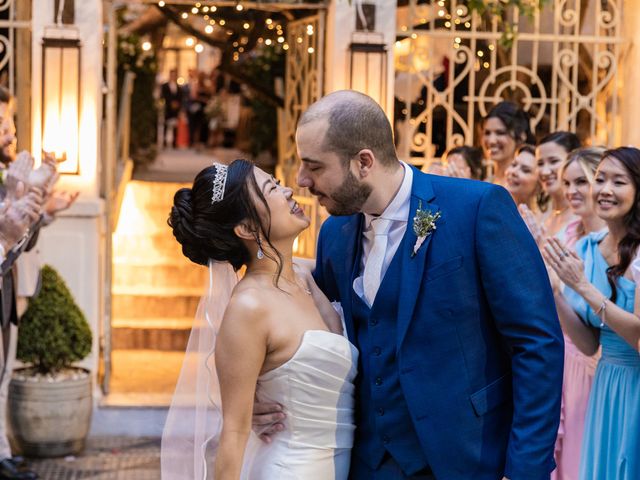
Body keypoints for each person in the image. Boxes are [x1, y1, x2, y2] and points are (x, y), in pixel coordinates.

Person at [256, 90, 564, 479]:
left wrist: (524, 471)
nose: (302, 181)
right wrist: (259, 393)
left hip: (467, 457)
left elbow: (537, 343)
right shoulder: (334, 233)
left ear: (363, 161)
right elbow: (312, 336)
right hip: (365, 463)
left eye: (314, 167)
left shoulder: (477, 208)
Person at [162, 160, 358, 479]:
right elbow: (234, 434)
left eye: (278, 183)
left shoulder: (306, 276)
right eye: (272, 189)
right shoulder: (248, 307)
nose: (290, 190)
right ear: (247, 229)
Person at [543, 146, 640, 479]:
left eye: (619, 181)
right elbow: (589, 344)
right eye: (600, 179)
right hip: (606, 386)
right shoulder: (587, 248)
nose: (606, 190)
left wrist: (583, 287)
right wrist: (555, 292)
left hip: (635, 387)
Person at [544, 147, 605, 480]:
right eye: (567, 183)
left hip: (591, 367)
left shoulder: (612, 246)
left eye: (582, 181)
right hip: (561, 361)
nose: (571, 191)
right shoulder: (567, 237)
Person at [536, 132, 581, 239]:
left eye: (553, 161)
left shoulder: (582, 216)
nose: (545, 172)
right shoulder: (541, 217)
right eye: (540, 164)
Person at [482, 101, 535, 186]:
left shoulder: (526, 183)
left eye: (500, 133)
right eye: (487, 133)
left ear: (521, 136)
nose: (491, 141)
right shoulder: (485, 183)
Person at [504, 144, 542, 214]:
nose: (513, 172)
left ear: (540, 183)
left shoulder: (541, 222)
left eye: (525, 170)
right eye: (513, 165)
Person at [160, 69, 184, 148]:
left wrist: (177, 104)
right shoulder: (165, 86)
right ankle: (164, 142)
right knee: (166, 124)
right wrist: (170, 103)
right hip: (168, 107)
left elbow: (180, 97)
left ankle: (174, 143)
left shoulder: (178, 87)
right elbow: (164, 95)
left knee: (175, 125)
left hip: (176, 108)